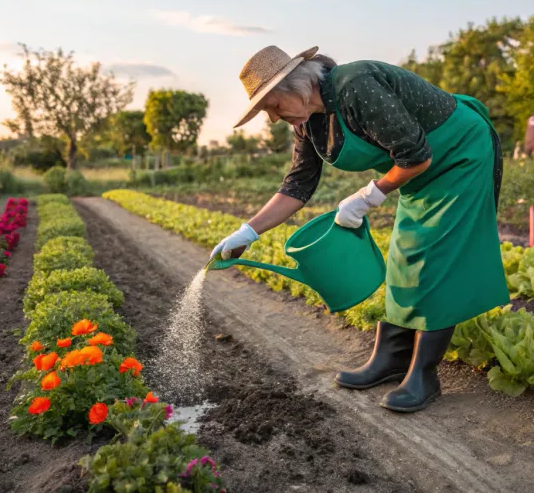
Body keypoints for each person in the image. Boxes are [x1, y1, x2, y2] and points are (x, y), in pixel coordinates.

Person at [210, 45, 509, 413]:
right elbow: (297, 186)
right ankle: (393, 358)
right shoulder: (309, 121)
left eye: (271, 105)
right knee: (402, 256)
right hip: (420, 173)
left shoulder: (356, 87)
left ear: (297, 85)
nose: (272, 118)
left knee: (437, 259)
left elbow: (416, 155)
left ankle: (424, 375)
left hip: (461, 155)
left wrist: (369, 195)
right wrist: (248, 232)